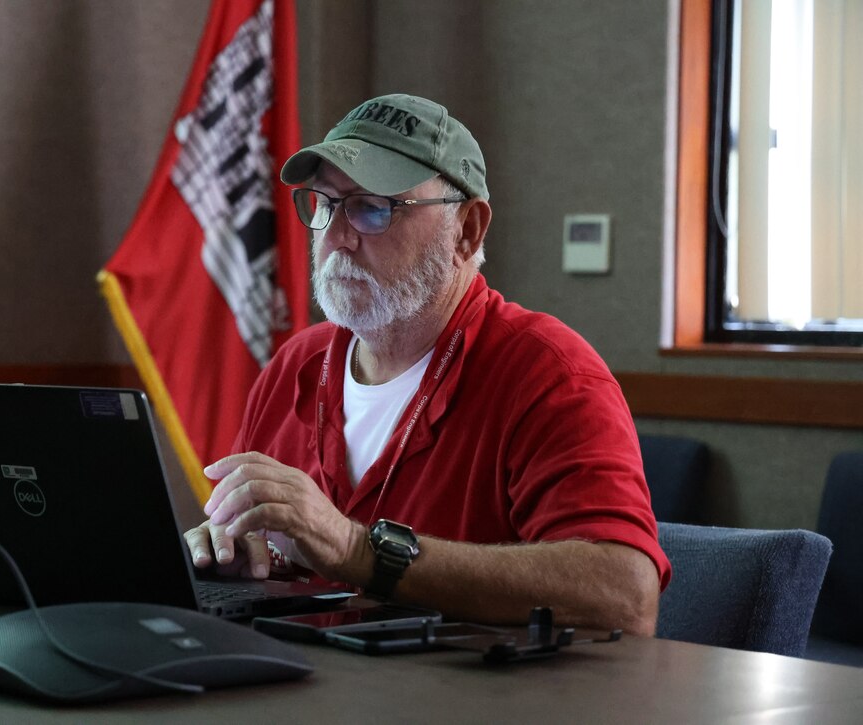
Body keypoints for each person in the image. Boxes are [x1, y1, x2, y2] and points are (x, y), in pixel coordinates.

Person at [184, 93, 669, 636]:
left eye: (373, 207)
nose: (337, 237)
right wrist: (227, 549)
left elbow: (624, 596)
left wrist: (356, 550)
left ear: (466, 231)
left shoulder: (548, 374)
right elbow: (257, 547)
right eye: (324, 203)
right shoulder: (296, 364)